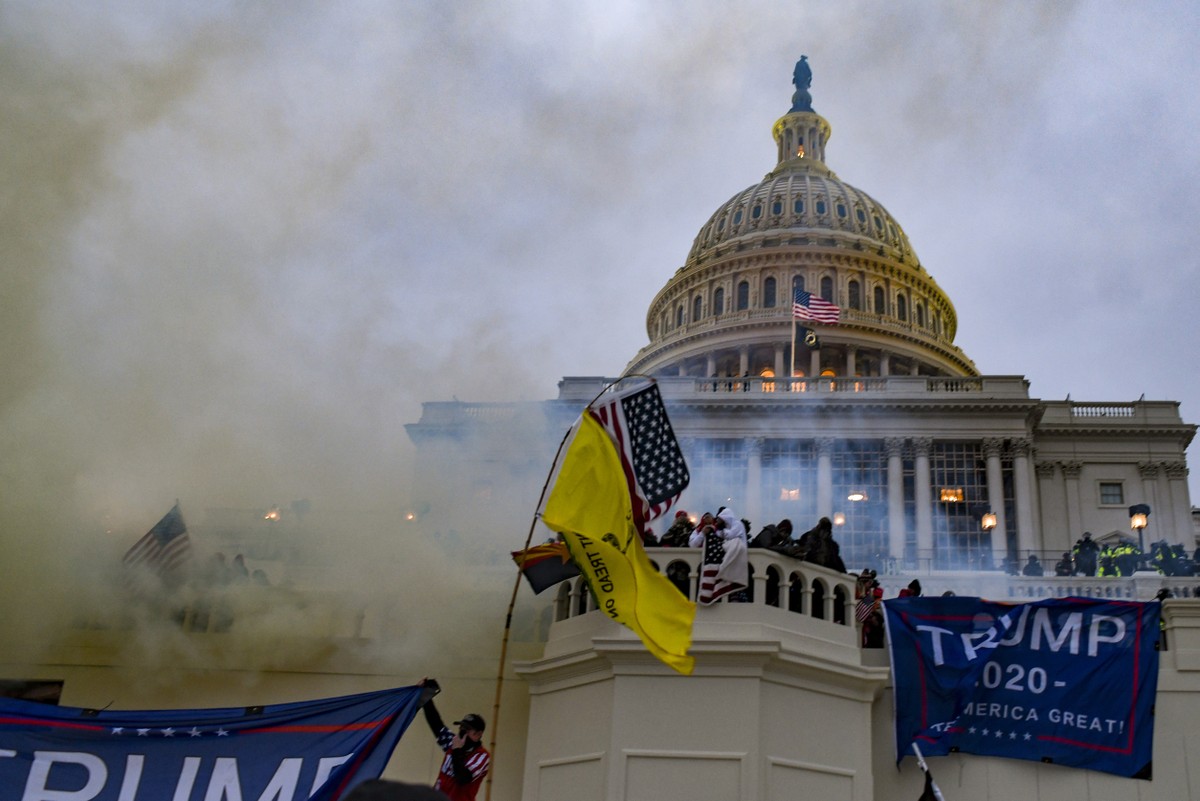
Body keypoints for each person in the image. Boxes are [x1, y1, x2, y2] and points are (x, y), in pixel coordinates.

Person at [418, 678, 490, 801]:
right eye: (461, 727)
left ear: (478, 734)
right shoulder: (453, 742)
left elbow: (463, 778)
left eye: (467, 729)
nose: (462, 731)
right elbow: (436, 724)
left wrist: (456, 751)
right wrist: (426, 694)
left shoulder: (482, 756)